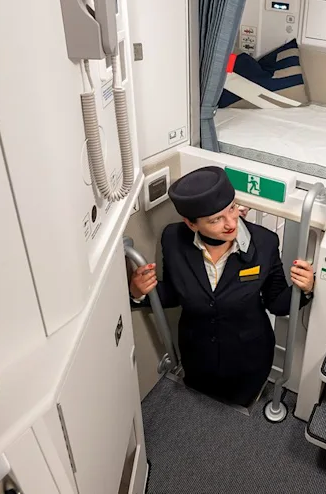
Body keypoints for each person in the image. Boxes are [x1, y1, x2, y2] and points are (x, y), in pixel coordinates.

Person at [129, 166, 315, 407]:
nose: (231, 223)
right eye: (216, 219)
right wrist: (138, 292)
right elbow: (176, 293)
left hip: (248, 357)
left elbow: (276, 301)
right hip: (197, 356)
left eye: (232, 209)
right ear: (191, 223)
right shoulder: (173, 239)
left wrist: (305, 288)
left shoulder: (265, 242)